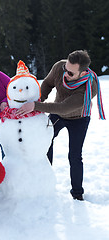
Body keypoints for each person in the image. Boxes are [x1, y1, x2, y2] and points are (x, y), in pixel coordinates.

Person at [16, 50, 106, 201]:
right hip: (57, 114)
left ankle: (77, 194)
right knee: (45, 143)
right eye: (66, 68)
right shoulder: (60, 67)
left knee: (74, 156)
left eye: (70, 73)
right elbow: (47, 83)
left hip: (79, 119)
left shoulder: (88, 89)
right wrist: (40, 99)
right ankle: (44, 182)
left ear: (83, 73)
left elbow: (63, 107)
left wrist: (36, 106)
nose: (65, 74)